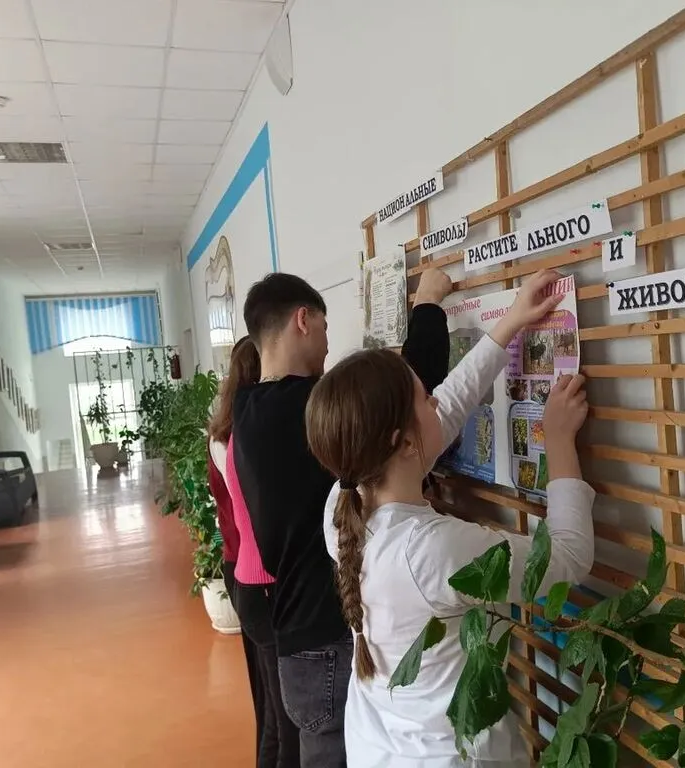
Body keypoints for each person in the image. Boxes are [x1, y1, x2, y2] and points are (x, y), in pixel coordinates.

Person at [306, 269, 596, 767]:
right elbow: (567, 558)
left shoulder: (345, 499)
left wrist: (511, 322)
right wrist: (559, 441)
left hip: (378, 748)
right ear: (403, 442)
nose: (436, 399)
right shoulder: (432, 551)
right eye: (424, 396)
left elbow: (446, 410)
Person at [232, 269, 453, 766]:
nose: (329, 341)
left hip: (296, 635)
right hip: (324, 643)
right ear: (303, 320)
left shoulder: (247, 409)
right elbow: (404, 388)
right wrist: (428, 303)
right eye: (326, 327)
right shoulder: (302, 408)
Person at [208, 337, 299, 767]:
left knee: (270, 707)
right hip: (255, 573)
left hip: (243, 568)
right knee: (280, 717)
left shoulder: (227, 431)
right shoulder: (240, 439)